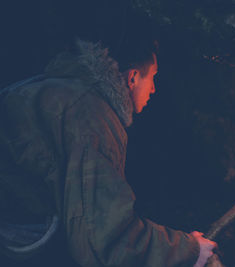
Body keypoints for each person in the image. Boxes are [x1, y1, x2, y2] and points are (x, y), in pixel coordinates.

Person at [0, 39, 216, 266]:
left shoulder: (63, 90)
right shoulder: (92, 118)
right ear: (133, 78)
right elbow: (103, 240)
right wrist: (189, 250)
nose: (154, 88)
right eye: (152, 76)